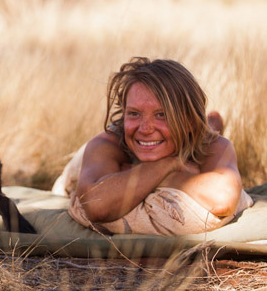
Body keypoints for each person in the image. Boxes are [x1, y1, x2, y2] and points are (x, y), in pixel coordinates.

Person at [66, 57, 253, 235]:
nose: (145, 128)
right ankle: (210, 121)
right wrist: (169, 165)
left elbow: (223, 200)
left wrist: (145, 174)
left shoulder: (214, 144)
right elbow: (95, 205)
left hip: (190, 138)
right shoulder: (106, 143)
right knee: (70, 174)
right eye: (134, 113)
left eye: (161, 115)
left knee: (208, 134)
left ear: (189, 121)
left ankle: (211, 123)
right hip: (81, 163)